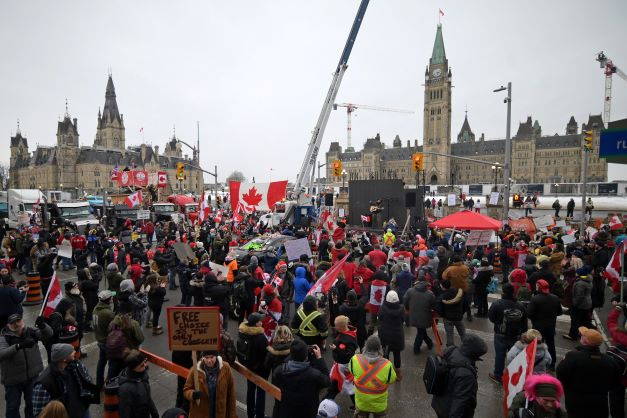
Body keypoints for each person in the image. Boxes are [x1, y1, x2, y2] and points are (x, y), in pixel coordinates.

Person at [557, 326, 622, 418]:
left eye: (583, 335)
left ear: (585, 341)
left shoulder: (573, 357)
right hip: (600, 403)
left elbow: (561, 374)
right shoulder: (610, 361)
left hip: (575, 402)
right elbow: (615, 383)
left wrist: (569, 387)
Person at [0, 313, 52, 418]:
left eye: (18, 321)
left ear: (22, 321)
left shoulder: (31, 331)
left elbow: (49, 334)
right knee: (12, 407)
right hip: (13, 380)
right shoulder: (4, 337)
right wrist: (18, 346)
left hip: (32, 376)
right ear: (8, 325)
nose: (16, 324)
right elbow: (1, 354)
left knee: (32, 405)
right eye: (13, 323)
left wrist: (43, 326)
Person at [32, 343, 98, 418]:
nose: (74, 351)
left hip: (83, 411)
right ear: (63, 358)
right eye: (70, 351)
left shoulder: (76, 365)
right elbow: (39, 413)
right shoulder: (43, 383)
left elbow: (87, 381)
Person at [431, 333, 488, 418]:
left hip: (440, 402)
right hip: (449, 410)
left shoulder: (451, 349)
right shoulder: (466, 374)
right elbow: (460, 401)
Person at [273, 339, 330, 418]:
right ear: (306, 356)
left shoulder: (279, 371)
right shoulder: (314, 375)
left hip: (287, 412)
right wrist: (319, 358)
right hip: (307, 413)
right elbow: (327, 381)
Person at [348, 335, 397, 418]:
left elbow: (351, 371)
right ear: (380, 348)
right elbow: (392, 379)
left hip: (361, 403)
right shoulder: (387, 365)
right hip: (379, 405)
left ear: (365, 346)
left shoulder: (355, 359)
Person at [488, 283, 528, 384]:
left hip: (500, 334)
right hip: (515, 335)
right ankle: (513, 376)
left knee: (500, 356)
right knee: (514, 356)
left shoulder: (497, 304)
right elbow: (524, 322)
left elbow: (491, 318)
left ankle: (498, 375)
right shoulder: (520, 305)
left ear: (503, 292)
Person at [183, 349, 237, 418]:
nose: (209, 360)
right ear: (203, 357)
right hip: (200, 414)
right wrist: (192, 394)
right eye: (206, 357)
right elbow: (186, 390)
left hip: (219, 413)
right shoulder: (195, 370)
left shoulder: (226, 368)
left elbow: (231, 394)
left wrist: (232, 415)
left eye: (212, 357)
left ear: (216, 356)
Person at [237, 312, 268, 418]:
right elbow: (265, 355)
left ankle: (250, 414)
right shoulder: (261, 338)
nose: (262, 322)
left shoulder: (243, 332)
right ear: (256, 324)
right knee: (261, 392)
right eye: (260, 321)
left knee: (250, 390)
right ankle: (259, 415)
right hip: (260, 370)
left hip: (248, 366)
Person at [527, 279, 562, 369]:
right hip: (550, 325)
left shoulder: (535, 299)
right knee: (551, 344)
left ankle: (536, 362)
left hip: (538, 326)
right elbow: (559, 312)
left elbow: (529, 314)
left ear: (538, 287)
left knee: (537, 344)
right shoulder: (555, 298)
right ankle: (552, 363)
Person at [117, 350, 159, 418]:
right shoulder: (125, 389)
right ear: (133, 369)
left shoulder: (142, 375)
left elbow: (148, 398)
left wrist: (155, 414)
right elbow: (125, 413)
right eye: (142, 365)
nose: (145, 365)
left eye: (145, 362)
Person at [377, 290, 405, 379]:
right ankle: (398, 374)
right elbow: (403, 320)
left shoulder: (383, 308)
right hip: (397, 334)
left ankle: (387, 373)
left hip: (385, 334)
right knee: (397, 354)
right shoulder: (401, 308)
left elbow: (380, 318)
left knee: (385, 353)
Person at [404, 279, 435, 353]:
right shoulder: (430, 294)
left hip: (413, 315)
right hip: (425, 316)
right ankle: (416, 348)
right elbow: (433, 305)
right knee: (421, 331)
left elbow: (405, 300)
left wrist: (408, 308)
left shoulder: (410, 291)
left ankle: (429, 343)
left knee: (421, 330)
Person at [93, 290, 115, 389]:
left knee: (101, 362)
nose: (112, 299)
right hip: (107, 341)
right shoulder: (107, 313)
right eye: (111, 297)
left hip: (100, 339)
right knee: (112, 364)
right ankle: (109, 384)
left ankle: (99, 383)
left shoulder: (96, 309)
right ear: (108, 300)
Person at [563, 267, 593, 341]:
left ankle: (572, 335)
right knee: (584, 320)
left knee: (575, 320)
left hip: (580, 305)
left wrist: (574, 304)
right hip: (587, 303)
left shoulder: (580, 283)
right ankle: (583, 333)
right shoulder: (588, 281)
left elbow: (579, 296)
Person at [436, 280, 466, 347]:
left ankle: (450, 349)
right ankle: (466, 347)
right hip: (459, 317)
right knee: (463, 334)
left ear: (443, 287)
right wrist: (461, 312)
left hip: (448, 318)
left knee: (449, 334)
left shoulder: (443, 296)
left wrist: (443, 315)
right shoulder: (459, 292)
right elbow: (465, 304)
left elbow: (439, 308)